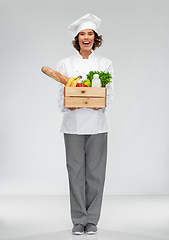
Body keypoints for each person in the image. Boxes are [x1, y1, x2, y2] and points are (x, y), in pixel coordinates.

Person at [56, 13, 114, 235]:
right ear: (77, 38)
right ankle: (78, 219)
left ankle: (92, 219)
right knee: (75, 173)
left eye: (90, 34)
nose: (86, 37)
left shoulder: (105, 63)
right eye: (82, 34)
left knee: (96, 174)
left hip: (98, 124)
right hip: (72, 125)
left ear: (95, 38)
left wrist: (102, 104)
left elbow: (110, 94)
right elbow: (61, 93)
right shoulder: (65, 63)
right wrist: (67, 106)